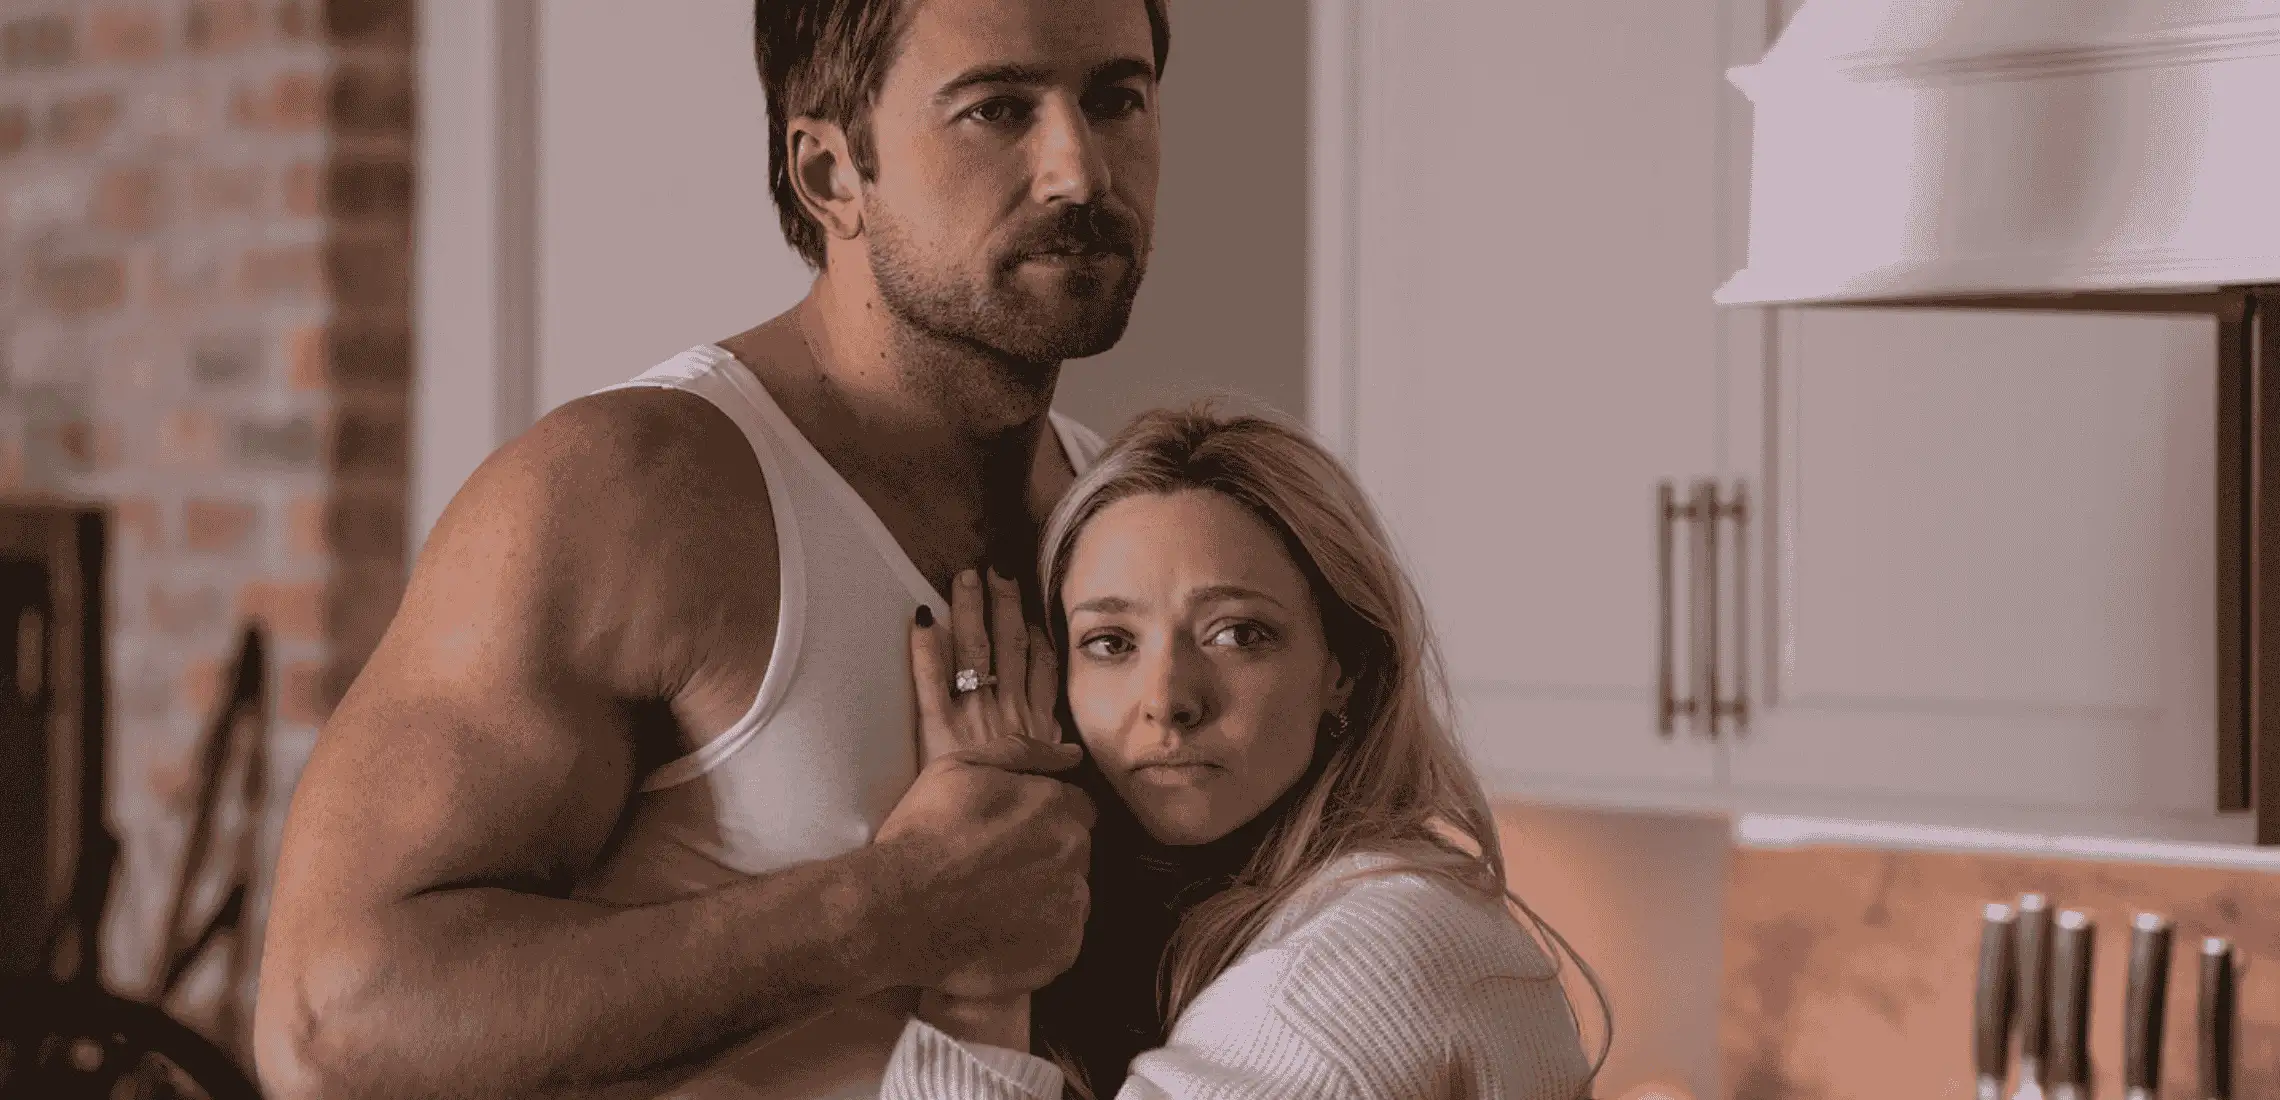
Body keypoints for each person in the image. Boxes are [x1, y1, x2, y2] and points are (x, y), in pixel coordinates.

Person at [251, 0, 1170, 1097]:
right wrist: (897, 906)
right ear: (830, 172)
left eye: (1117, 99)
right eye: (997, 109)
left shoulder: (1131, 523)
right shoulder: (629, 491)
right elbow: (331, 1025)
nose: (1079, 170)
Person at [882, 401, 1613, 1100]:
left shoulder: (1344, 974)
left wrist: (980, 989)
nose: (1167, 699)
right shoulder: (1235, 920)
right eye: (1111, 643)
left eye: (1236, 634)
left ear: (1345, 670)